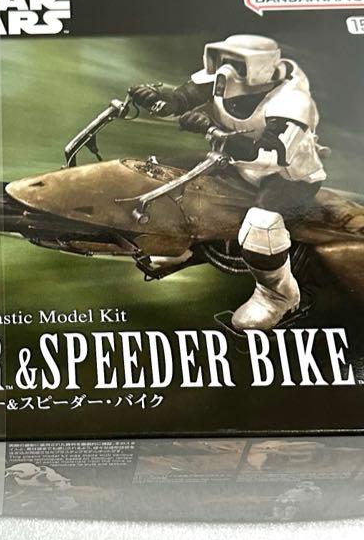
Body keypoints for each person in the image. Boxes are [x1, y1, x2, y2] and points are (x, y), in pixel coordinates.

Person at [129, 34, 327, 329]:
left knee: (261, 226)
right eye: (221, 60)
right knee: (173, 180)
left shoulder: (293, 101)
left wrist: (212, 130)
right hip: (234, 163)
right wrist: (160, 100)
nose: (224, 70)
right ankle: (181, 248)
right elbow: (183, 98)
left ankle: (279, 295)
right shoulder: (224, 80)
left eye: (235, 63)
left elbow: (271, 155)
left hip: (288, 175)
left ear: (261, 67)